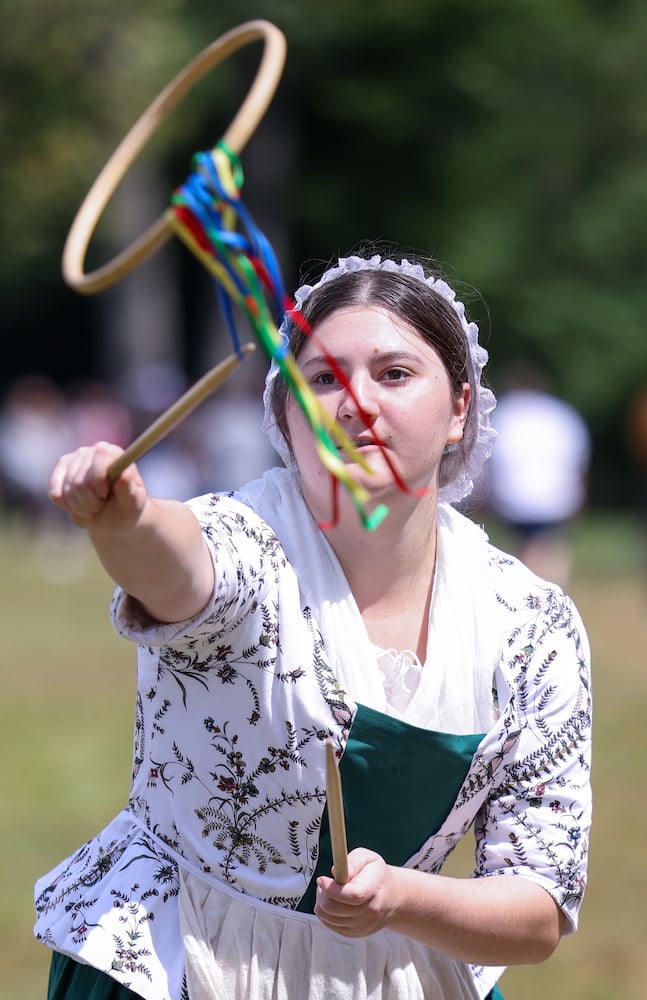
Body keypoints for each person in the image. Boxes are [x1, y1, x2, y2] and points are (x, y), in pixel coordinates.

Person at [34, 252, 592, 1000]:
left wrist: (399, 899)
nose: (353, 402)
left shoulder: (531, 623)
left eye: (392, 374)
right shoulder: (247, 541)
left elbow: (538, 907)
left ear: (460, 406)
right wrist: (126, 519)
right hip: (179, 962)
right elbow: (176, 568)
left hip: (402, 974)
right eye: (323, 378)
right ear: (284, 411)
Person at [484, 369, 592, 586]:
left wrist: (487, 496)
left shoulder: (505, 414)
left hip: (513, 499)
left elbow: (490, 461)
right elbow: (578, 459)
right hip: (557, 497)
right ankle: (553, 593)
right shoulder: (562, 414)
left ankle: (529, 593)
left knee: (522, 552)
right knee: (552, 550)